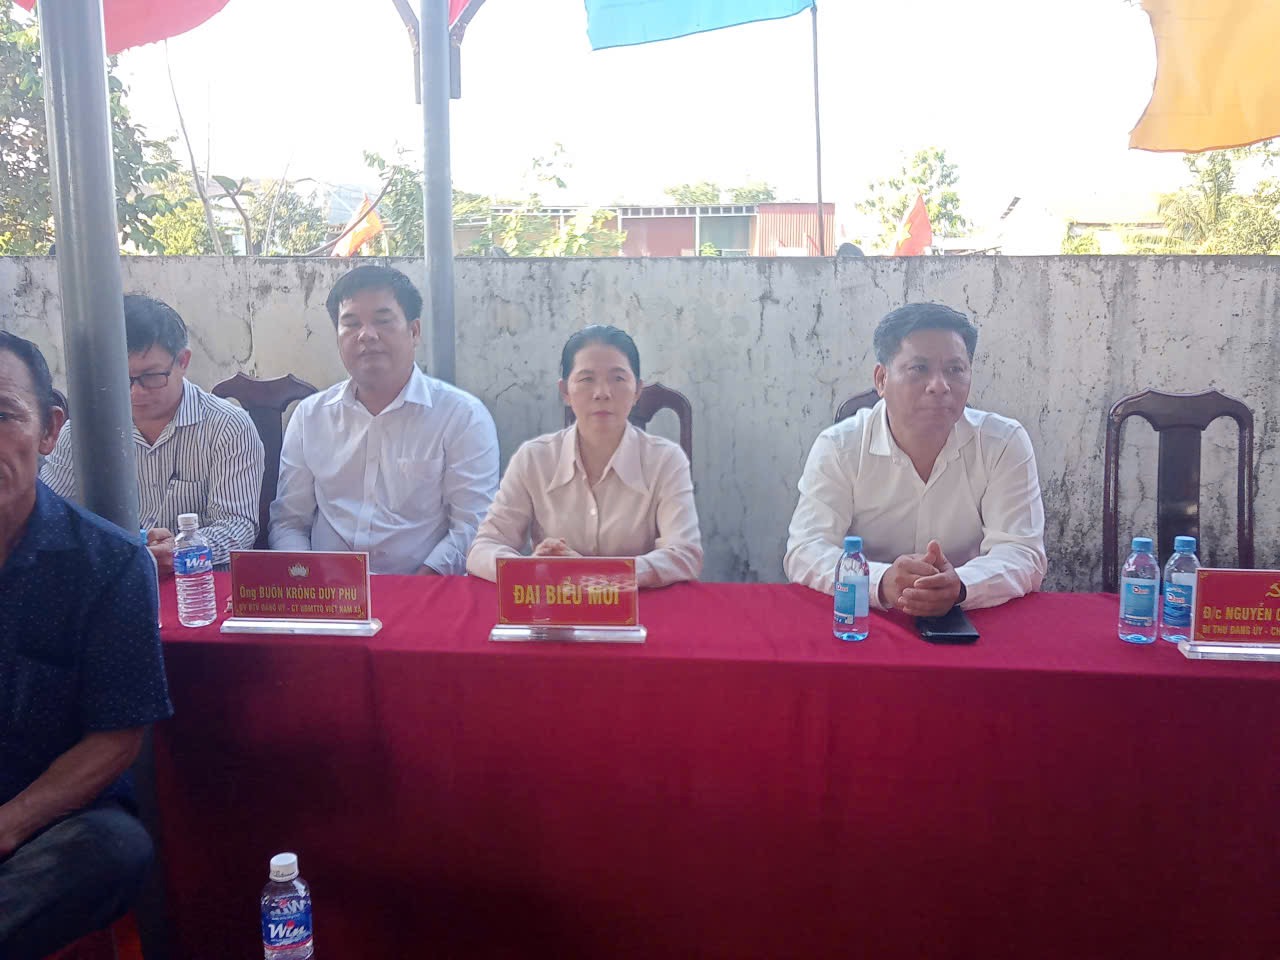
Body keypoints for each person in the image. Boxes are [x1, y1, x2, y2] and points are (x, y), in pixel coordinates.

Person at [0, 332, 173, 958]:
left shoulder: (109, 563)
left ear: (50, 430)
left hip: (45, 824)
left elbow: (117, 736)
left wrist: (8, 825)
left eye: (2, 414)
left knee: (114, 849)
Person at [785, 302, 1046, 614]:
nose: (939, 386)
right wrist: (880, 582)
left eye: (955, 370)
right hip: (866, 618)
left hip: (969, 617)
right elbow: (805, 550)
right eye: (919, 369)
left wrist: (961, 585)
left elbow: (1022, 551)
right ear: (881, 379)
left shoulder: (1002, 443)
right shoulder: (839, 447)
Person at [270, 265, 499, 574]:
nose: (366, 335)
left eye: (382, 320)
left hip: (422, 588)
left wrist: (418, 584)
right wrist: (307, 581)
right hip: (327, 591)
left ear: (414, 331)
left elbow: (473, 525)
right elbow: (289, 521)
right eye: (351, 323)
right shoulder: (310, 417)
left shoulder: (462, 417)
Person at [40, 295, 264, 573]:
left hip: (196, 581)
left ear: (183, 361)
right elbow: (48, 517)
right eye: (120, 378)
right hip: (112, 578)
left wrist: (182, 549)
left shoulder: (227, 427)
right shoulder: (82, 434)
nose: (135, 392)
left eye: (151, 376)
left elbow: (238, 527)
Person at [467, 325, 702, 588]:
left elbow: (684, 554)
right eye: (587, 379)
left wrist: (592, 574)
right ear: (565, 391)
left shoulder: (666, 460)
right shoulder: (534, 459)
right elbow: (483, 548)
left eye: (618, 378)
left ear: (637, 390)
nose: (602, 393)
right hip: (555, 606)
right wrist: (530, 569)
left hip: (639, 606)